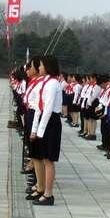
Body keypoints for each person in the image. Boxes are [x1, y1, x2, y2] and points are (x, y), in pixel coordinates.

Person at [29, 55, 62, 206]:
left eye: (41, 65)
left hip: (51, 122)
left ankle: (49, 194)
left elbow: (48, 109)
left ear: (48, 66)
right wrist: (34, 129)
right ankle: (44, 190)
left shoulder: (53, 83)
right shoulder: (44, 82)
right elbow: (39, 107)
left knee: (49, 160)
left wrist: (40, 131)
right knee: (44, 158)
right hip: (44, 120)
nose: (39, 68)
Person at [23, 56, 45, 201]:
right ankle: (37, 180)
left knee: (38, 152)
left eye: (30, 67)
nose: (27, 70)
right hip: (30, 113)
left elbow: (40, 105)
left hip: (35, 114)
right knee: (33, 151)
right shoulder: (34, 82)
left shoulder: (42, 83)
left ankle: (40, 184)